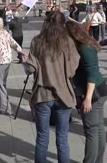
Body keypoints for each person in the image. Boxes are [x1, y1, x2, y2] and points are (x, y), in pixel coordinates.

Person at [25, 11, 80, 163]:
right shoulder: (68, 42)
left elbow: (30, 69)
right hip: (64, 94)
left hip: (43, 94)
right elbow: (72, 69)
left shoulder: (37, 41)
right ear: (63, 24)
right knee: (62, 138)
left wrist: (27, 61)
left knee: (42, 137)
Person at [66, 21, 107, 163]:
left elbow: (92, 73)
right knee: (98, 128)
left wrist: (88, 98)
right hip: (99, 90)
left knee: (91, 130)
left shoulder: (85, 48)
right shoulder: (83, 45)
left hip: (93, 93)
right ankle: (98, 160)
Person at [0, 17, 26, 116]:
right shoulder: (5, 32)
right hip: (7, 61)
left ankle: (5, 108)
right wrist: (21, 51)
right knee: (2, 83)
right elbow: (13, 43)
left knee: (0, 84)